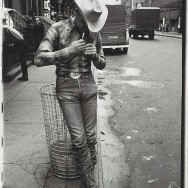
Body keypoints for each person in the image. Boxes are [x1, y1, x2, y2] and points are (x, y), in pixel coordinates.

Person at [34, 0, 108, 187]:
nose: (89, 28)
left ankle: (89, 166)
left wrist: (95, 57)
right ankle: (88, 174)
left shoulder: (94, 33)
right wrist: (67, 51)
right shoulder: (58, 29)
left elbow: (102, 63)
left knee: (91, 136)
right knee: (78, 136)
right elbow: (39, 58)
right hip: (66, 86)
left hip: (88, 84)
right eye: (86, 22)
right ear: (76, 13)